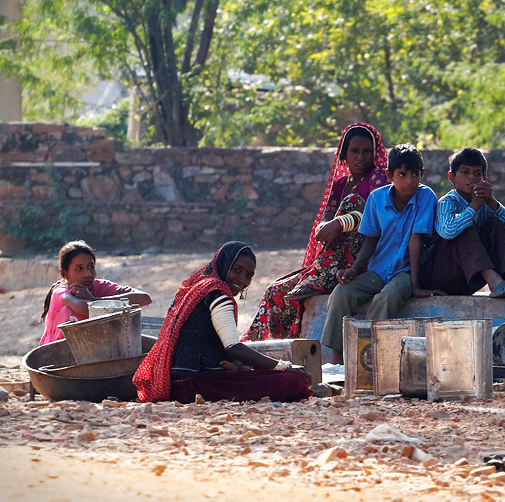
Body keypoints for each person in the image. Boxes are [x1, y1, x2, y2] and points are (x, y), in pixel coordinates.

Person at [243, 123, 389, 341]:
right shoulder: (341, 183)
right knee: (275, 291)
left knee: (352, 202)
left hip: (363, 259)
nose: (361, 157)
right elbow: (326, 216)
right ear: (343, 155)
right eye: (355, 151)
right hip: (331, 261)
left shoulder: (378, 180)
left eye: (367, 151)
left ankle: (321, 276)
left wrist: (341, 223)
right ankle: (262, 347)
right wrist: (325, 226)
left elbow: (372, 216)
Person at [133, 242, 312, 403]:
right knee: (292, 381)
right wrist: (284, 366)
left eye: (249, 275)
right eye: (237, 270)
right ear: (224, 265)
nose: (243, 281)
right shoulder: (218, 294)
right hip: (195, 385)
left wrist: (237, 366)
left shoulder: (200, 287)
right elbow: (232, 346)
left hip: (176, 382)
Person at [322, 144, 440, 364]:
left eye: (415, 175)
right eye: (402, 175)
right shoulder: (377, 199)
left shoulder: (425, 197)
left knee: (387, 297)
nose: (409, 181)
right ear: (389, 175)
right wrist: (355, 270)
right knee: (341, 293)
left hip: (406, 272)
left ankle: (369, 358)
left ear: (422, 174)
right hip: (378, 269)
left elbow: (416, 241)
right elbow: (371, 240)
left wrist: (415, 285)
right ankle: (338, 364)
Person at [421, 147, 505, 298]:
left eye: (477, 173)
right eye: (465, 172)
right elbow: (448, 231)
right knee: (465, 226)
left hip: (468, 278)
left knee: (496, 223)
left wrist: (493, 203)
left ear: (484, 179)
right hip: (443, 275)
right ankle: (494, 282)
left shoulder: (485, 204)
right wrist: (473, 207)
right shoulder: (447, 202)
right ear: (452, 177)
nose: (471, 178)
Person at [40, 240, 151, 345]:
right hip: (59, 353)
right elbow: (83, 308)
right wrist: (97, 301)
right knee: (69, 310)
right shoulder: (62, 292)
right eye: (79, 269)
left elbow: (145, 298)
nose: (88, 274)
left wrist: (96, 299)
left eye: (90, 267)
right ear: (64, 274)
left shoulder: (99, 286)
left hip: (94, 350)